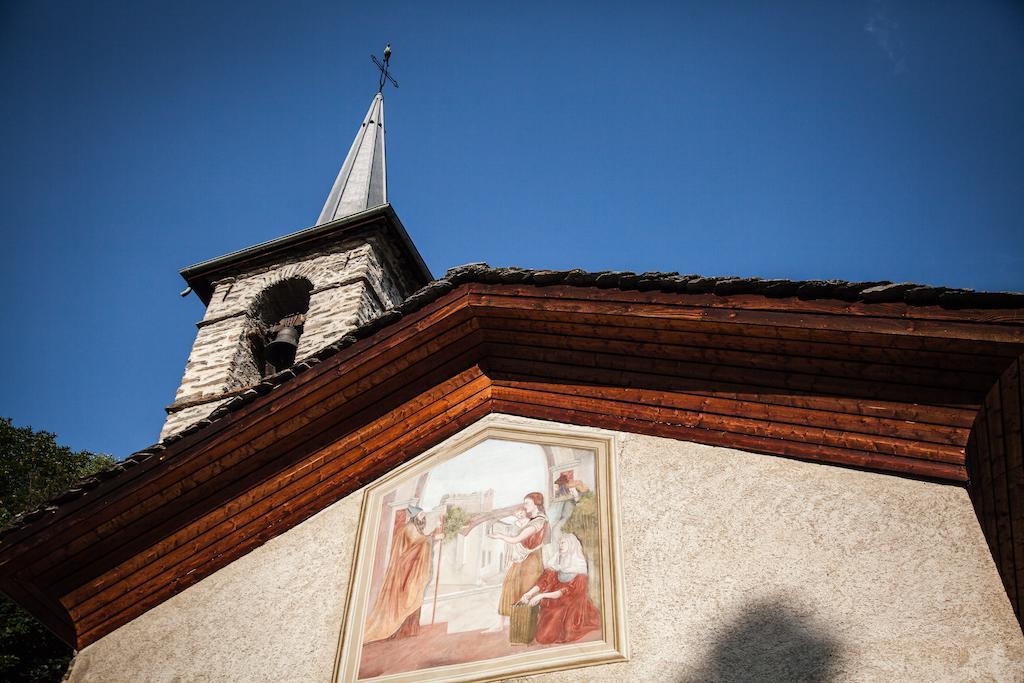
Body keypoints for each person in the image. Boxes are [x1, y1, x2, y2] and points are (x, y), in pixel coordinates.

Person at [363, 506, 442, 643]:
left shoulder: (415, 528)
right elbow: (417, 542)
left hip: (410, 568)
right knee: (407, 596)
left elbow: (420, 540)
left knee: (412, 594)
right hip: (404, 569)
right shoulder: (409, 528)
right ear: (416, 517)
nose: (423, 518)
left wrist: (432, 537)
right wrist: (434, 537)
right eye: (422, 516)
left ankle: (407, 629)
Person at [517, 533, 601, 644]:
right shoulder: (556, 561)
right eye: (560, 542)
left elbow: (567, 592)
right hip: (555, 601)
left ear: (571, 545)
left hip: (571, 604)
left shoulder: (579, 566)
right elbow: (544, 581)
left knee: (547, 636)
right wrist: (529, 594)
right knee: (542, 635)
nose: (560, 545)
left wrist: (542, 595)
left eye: (563, 542)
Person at [486, 492, 549, 633]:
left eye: (527, 503)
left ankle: (528, 625)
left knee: (526, 589)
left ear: (536, 504)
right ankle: (500, 623)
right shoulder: (533, 519)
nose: (525, 506)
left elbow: (517, 539)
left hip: (531, 559)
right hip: (522, 557)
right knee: (509, 583)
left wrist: (499, 536)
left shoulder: (538, 521)